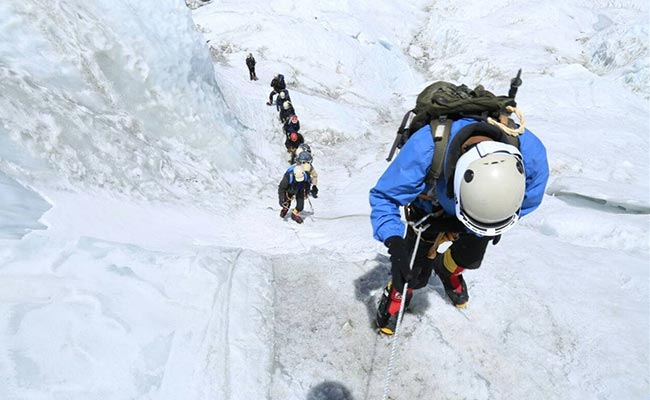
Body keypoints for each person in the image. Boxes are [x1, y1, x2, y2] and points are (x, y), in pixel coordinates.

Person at [369, 117, 549, 335]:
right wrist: (394, 242)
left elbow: (529, 198)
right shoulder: (426, 147)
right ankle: (399, 291)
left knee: (470, 258)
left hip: (483, 211)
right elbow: (385, 196)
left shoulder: (531, 154)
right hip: (429, 211)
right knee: (412, 273)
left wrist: (494, 221)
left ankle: (446, 269)